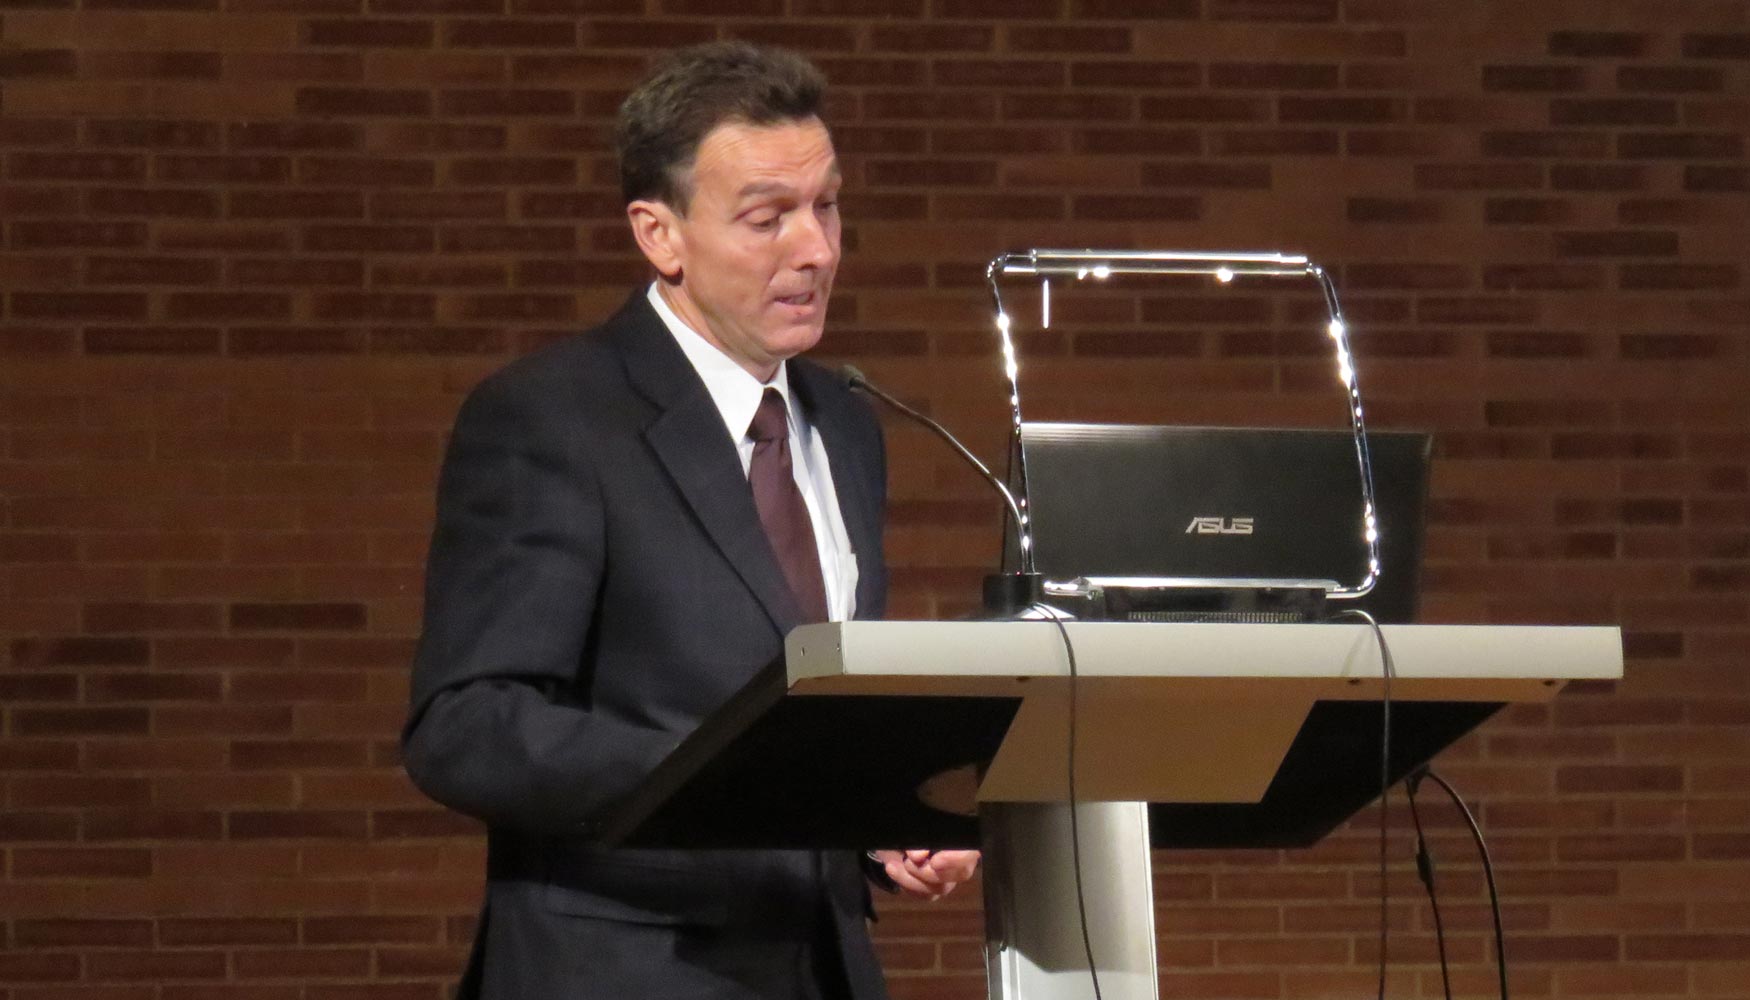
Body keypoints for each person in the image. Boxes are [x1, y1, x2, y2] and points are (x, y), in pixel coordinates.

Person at [402, 41, 979, 1000]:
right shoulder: (554, 419)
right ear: (659, 236)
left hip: (823, 968)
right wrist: (735, 777)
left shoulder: (845, 420)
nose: (818, 249)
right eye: (768, 218)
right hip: (623, 967)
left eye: (827, 205)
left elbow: (818, 717)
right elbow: (465, 725)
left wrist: (882, 817)